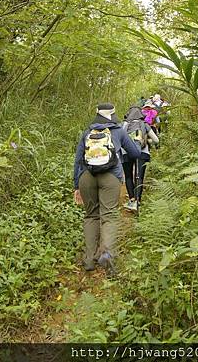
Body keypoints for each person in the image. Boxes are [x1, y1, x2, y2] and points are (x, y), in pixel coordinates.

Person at [73, 102, 141, 276]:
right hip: (110, 176)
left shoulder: (87, 132)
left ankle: (89, 259)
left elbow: (78, 160)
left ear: (97, 114)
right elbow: (134, 153)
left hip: (87, 177)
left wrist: (76, 186)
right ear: (113, 114)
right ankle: (106, 254)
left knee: (91, 215)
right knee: (109, 216)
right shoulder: (118, 131)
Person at [122, 105, 159, 212]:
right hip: (143, 153)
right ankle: (138, 201)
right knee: (139, 176)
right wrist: (147, 141)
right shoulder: (144, 124)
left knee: (128, 176)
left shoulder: (124, 125)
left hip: (126, 153)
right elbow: (156, 140)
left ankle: (132, 199)